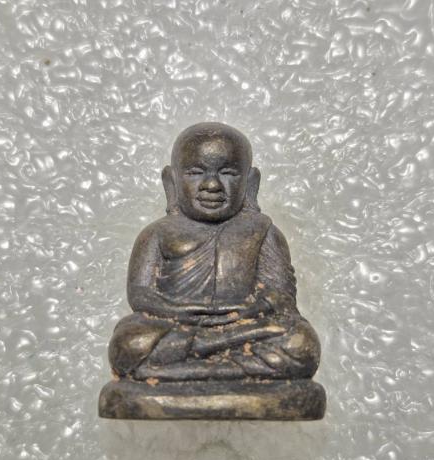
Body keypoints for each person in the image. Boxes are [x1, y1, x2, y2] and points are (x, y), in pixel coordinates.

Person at [108, 122, 320, 382]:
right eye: (195, 173)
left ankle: (174, 371)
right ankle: (232, 368)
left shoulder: (263, 232)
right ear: (171, 181)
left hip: (243, 327)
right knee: (129, 342)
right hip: (177, 324)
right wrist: (176, 310)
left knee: (300, 341)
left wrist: (249, 311)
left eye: (228, 173)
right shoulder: (157, 233)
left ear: (250, 183)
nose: (211, 184)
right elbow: (140, 294)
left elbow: (282, 297)